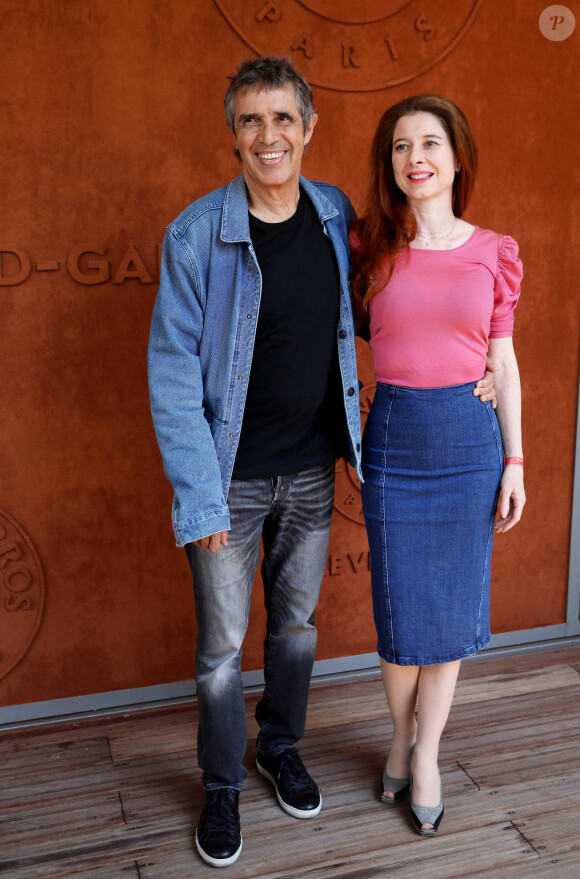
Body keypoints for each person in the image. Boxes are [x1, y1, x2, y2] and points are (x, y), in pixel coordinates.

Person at [148, 58, 497, 868]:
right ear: (232, 133)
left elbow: (395, 309)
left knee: (296, 630)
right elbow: (170, 376)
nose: (267, 136)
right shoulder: (197, 235)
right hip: (227, 478)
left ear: (308, 128)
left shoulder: (338, 216)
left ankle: (279, 746)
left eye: (282, 120)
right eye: (249, 121)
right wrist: (200, 497)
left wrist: (473, 365)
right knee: (221, 645)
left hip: (310, 469)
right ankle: (223, 785)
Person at [350, 94, 525, 837]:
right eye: (399, 146)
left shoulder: (495, 250)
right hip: (393, 441)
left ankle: (426, 753)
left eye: (428, 143)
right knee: (398, 617)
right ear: (390, 164)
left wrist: (515, 457)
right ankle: (396, 735)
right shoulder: (367, 246)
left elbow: (504, 361)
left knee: (448, 618)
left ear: (457, 158)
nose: (413, 157)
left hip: (468, 446)